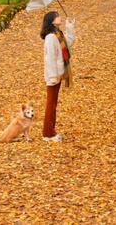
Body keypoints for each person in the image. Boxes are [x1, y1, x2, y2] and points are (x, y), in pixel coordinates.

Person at [40, 10, 75, 142]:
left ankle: (51, 132)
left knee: (53, 104)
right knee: (51, 104)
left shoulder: (58, 34)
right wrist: (53, 76)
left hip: (58, 74)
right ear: (52, 20)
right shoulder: (50, 37)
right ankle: (47, 134)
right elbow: (50, 58)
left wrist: (70, 26)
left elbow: (69, 43)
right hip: (53, 76)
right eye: (57, 16)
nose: (59, 17)